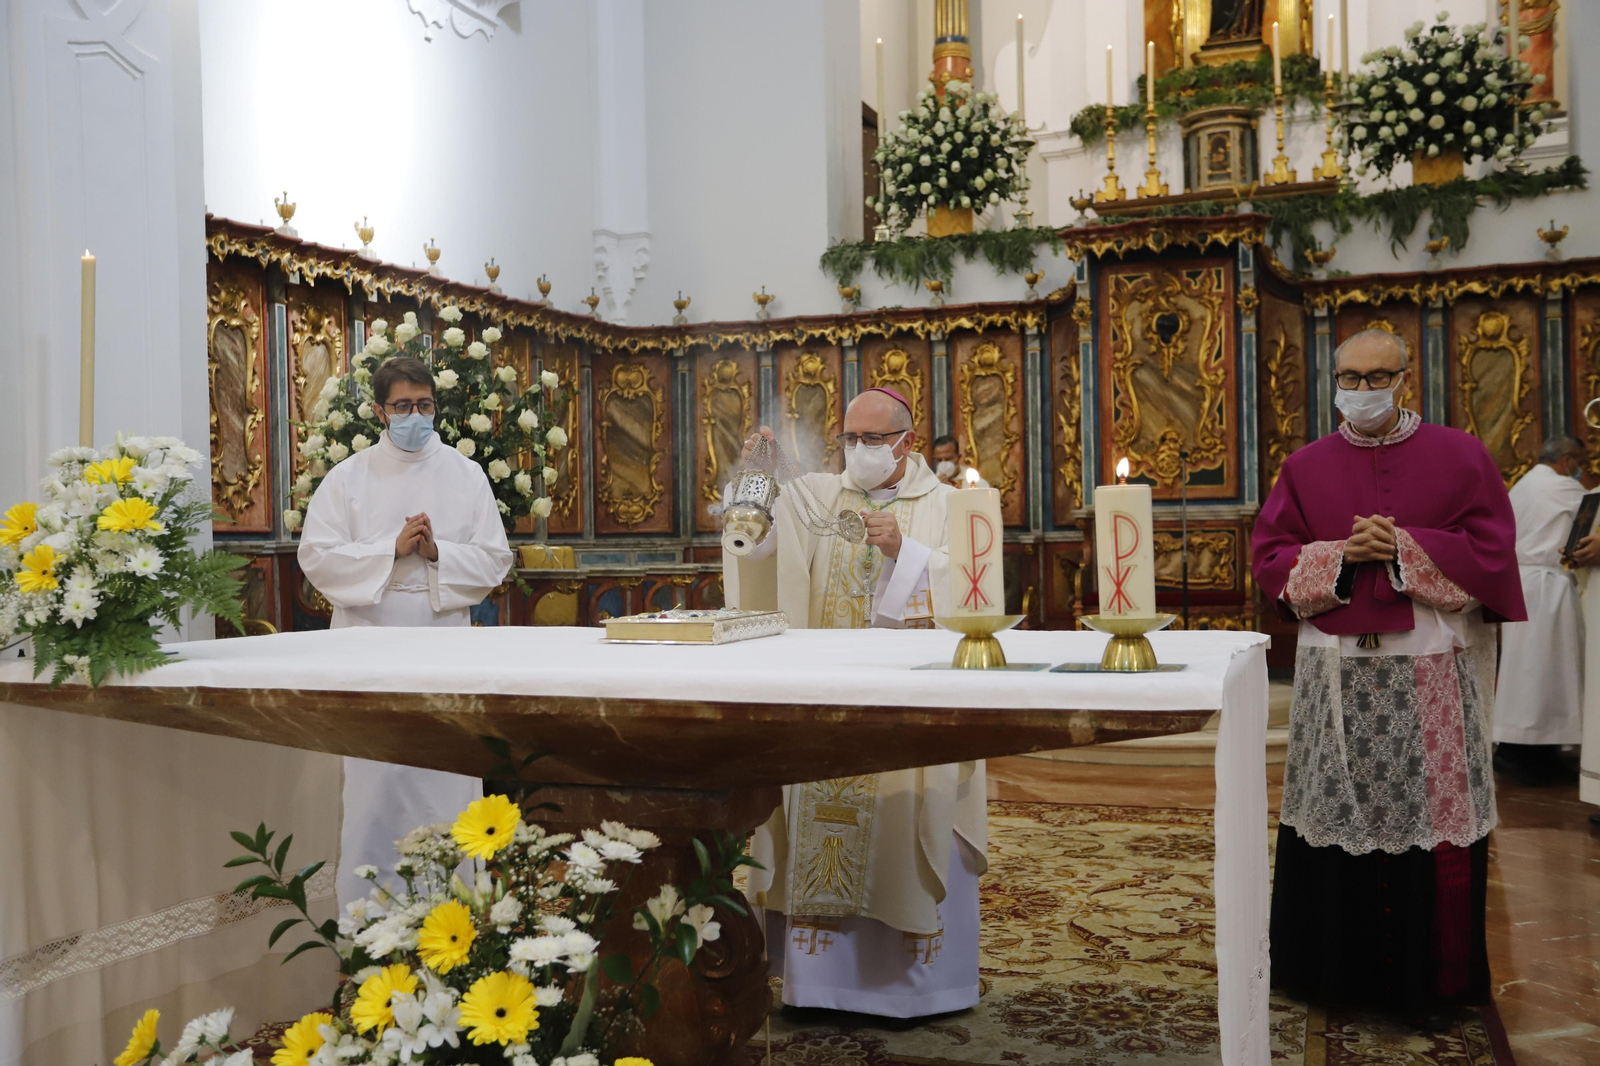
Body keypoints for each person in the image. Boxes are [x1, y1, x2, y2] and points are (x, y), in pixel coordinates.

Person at [1251, 329, 1525, 1019]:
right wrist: (1342, 553)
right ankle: (1330, 975)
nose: (1362, 391)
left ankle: (1430, 981)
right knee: (1335, 816)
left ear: (1406, 379)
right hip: (1336, 673)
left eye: (1377, 378)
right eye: (1349, 377)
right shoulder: (1305, 464)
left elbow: (1491, 553)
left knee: (1430, 820)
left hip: (1428, 669)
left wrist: (1403, 544)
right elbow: (1270, 558)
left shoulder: (1462, 456)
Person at [725, 387, 985, 1024]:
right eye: (850, 439)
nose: (860, 451)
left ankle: (917, 988)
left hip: (911, 710)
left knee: (908, 828)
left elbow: (976, 589)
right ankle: (817, 985)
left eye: (874, 439)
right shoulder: (815, 494)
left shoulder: (951, 505)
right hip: (827, 704)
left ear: (908, 442)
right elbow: (758, 554)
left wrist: (906, 552)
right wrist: (753, 483)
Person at [298, 356, 514, 905]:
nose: (415, 415)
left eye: (424, 405)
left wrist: (439, 553)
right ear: (379, 411)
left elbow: (495, 559)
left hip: (442, 642)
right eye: (403, 407)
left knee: (445, 776)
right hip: (369, 644)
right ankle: (367, 918)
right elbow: (316, 557)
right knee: (375, 783)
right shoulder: (349, 478)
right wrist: (387, 552)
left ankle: (454, 909)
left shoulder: (466, 475)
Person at [1492, 436, 1588, 785]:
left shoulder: (1523, 484)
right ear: (1566, 461)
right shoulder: (1563, 486)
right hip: (1548, 587)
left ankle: (1534, 750)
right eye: (1582, 461)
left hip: (1522, 583)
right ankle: (1525, 753)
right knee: (1548, 669)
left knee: (1528, 670)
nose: (1584, 470)